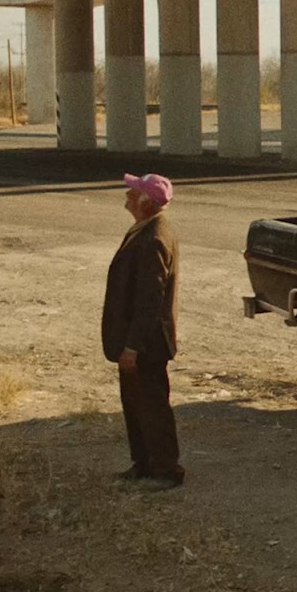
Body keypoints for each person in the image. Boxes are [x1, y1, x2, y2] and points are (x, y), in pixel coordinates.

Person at [102, 172, 184, 490]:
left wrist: (133, 347)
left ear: (147, 202)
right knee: (136, 404)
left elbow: (150, 301)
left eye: (133, 192)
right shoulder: (145, 229)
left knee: (152, 407)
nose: (127, 195)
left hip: (146, 343)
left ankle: (166, 470)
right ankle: (144, 464)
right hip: (138, 341)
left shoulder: (154, 239)